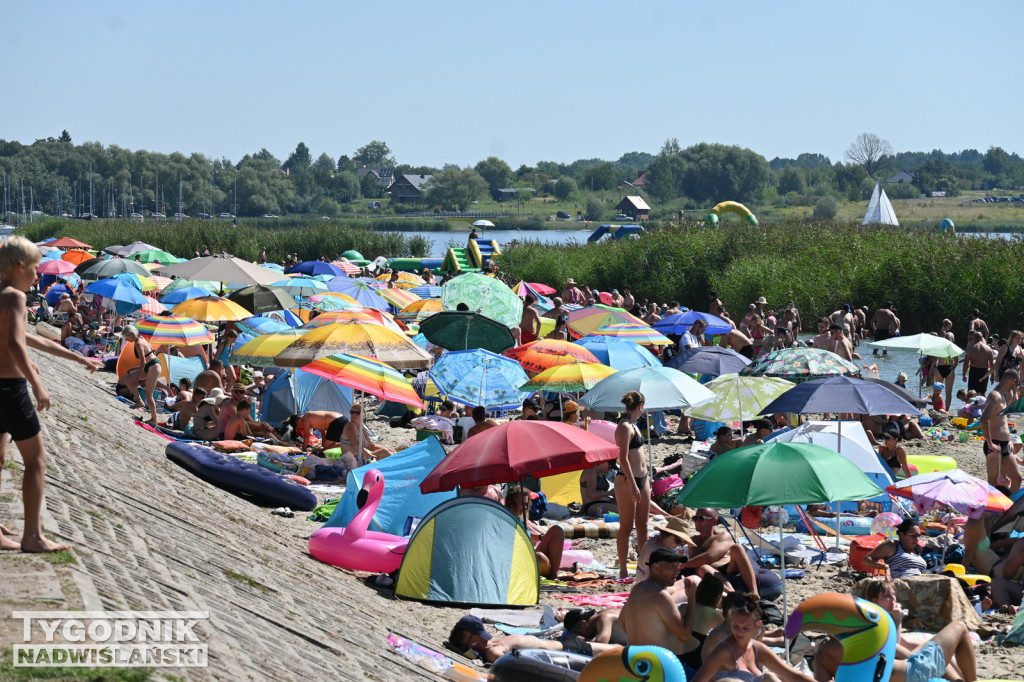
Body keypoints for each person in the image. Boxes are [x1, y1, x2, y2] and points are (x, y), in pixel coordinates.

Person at [0, 236, 103, 552]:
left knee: (0, 459)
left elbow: (27, 340)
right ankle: (32, 536)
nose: (36, 275)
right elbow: (17, 344)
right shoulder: (16, 297)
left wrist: (76, 357)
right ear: (19, 267)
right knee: (36, 461)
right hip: (11, 390)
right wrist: (36, 384)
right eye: (33, 268)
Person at [813, 578, 977, 682]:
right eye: (887, 596)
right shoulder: (864, 635)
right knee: (959, 627)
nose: (893, 599)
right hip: (912, 673)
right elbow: (909, 655)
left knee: (930, 646)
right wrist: (898, 621)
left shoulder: (821, 656)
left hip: (903, 673)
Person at [693, 593, 814, 682]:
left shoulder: (757, 649)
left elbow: (792, 675)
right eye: (735, 626)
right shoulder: (723, 650)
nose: (739, 632)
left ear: (757, 627)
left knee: (770, 677)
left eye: (746, 628)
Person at [679, 508, 781, 601]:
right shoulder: (693, 541)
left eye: (701, 518)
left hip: (730, 568)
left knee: (737, 547)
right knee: (702, 568)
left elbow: (710, 557)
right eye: (694, 518)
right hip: (712, 572)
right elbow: (696, 565)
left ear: (714, 521)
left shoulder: (723, 536)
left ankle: (753, 592)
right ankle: (732, 594)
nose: (697, 522)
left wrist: (684, 564)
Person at [619, 548, 698, 658]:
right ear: (656, 567)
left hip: (634, 661)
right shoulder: (661, 596)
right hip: (658, 665)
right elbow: (684, 636)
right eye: (672, 567)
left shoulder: (637, 588)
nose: (677, 571)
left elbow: (621, 621)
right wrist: (691, 597)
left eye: (678, 566)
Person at [448, 615, 618, 664]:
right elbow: (513, 662)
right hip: (567, 651)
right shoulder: (492, 651)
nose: (484, 637)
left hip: (566, 645)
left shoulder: (491, 644)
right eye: (479, 636)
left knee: (618, 649)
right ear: (472, 642)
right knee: (619, 652)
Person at [614, 390, 652, 578]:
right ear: (641, 406)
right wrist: (634, 485)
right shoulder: (624, 426)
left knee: (643, 524)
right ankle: (622, 568)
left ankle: (643, 566)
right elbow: (623, 459)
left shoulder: (634, 425)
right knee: (627, 527)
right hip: (627, 480)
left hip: (642, 477)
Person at [505, 486, 564, 579]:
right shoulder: (505, 522)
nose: (525, 507)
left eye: (526, 504)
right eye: (521, 504)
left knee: (556, 531)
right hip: (518, 563)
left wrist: (541, 537)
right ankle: (552, 575)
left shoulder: (519, 519)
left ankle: (554, 574)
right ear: (511, 503)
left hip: (528, 556)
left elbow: (526, 534)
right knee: (540, 558)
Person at [980, 369, 1022, 491]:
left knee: (1017, 479)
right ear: (1013, 381)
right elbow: (984, 420)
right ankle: (990, 510)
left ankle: (1010, 509)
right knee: (993, 483)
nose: (1016, 387)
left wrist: (1009, 439)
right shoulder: (995, 396)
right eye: (1017, 384)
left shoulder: (1002, 396)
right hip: (994, 444)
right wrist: (990, 443)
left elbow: (1003, 421)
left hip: (1005, 444)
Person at [636, 516, 697, 582]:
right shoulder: (655, 551)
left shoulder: (655, 541)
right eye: (677, 541)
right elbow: (650, 581)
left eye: (682, 544)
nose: (678, 546)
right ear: (667, 534)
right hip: (648, 586)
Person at [122, 325, 161, 427]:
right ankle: (139, 401)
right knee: (128, 379)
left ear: (131, 334)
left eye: (127, 337)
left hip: (153, 365)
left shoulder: (139, 343)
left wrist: (137, 379)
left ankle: (154, 419)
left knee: (149, 394)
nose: (126, 340)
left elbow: (142, 363)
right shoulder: (141, 338)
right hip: (151, 364)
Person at [861, 519, 927, 578]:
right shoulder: (892, 545)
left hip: (920, 586)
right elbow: (866, 560)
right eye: (913, 535)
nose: (917, 539)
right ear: (902, 535)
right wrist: (884, 567)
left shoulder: (918, 549)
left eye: (918, 536)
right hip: (901, 585)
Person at [562, 607, 627, 645]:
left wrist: (578, 638)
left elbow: (601, 644)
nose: (582, 635)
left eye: (578, 632)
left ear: (584, 624)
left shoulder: (604, 618)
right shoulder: (603, 612)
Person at [963, 330, 993, 396]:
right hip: (984, 372)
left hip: (974, 371)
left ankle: (972, 405)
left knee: (972, 392)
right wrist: (992, 376)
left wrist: (964, 375)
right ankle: (983, 405)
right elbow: (992, 365)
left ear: (974, 338)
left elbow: (966, 363)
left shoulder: (970, 349)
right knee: (983, 392)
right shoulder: (989, 349)